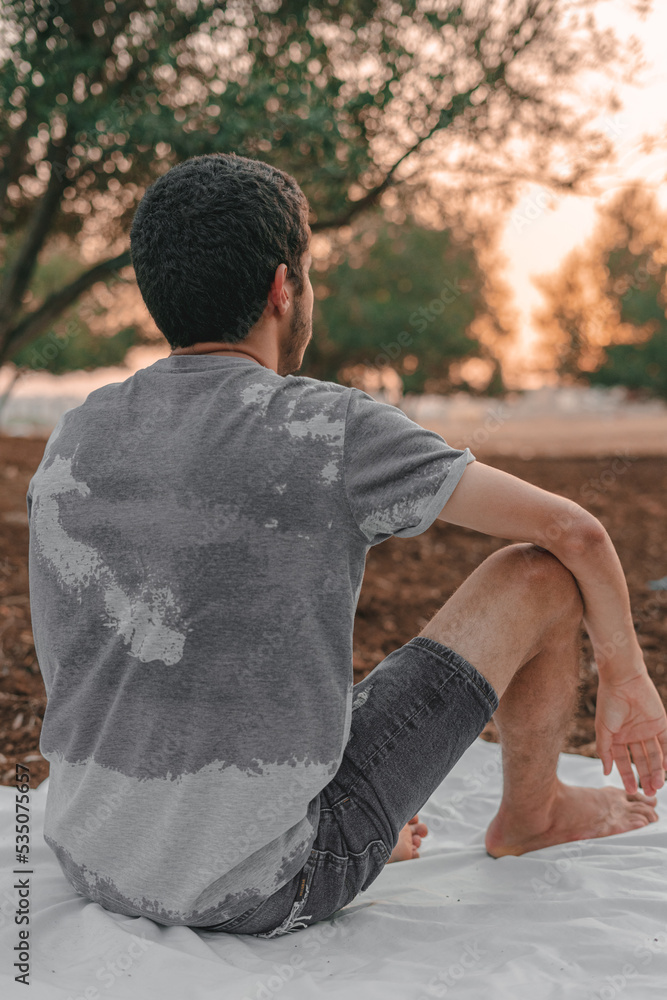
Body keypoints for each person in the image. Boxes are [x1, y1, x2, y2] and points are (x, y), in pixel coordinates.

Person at [27, 153, 667, 941]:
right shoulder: (326, 427)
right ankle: (532, 816)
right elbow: (572, 531)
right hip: (264, 884)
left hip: (94, 856)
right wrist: (627, 675)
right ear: (281, 288)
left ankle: (339, 821)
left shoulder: (75, 433)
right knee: (536, 574)